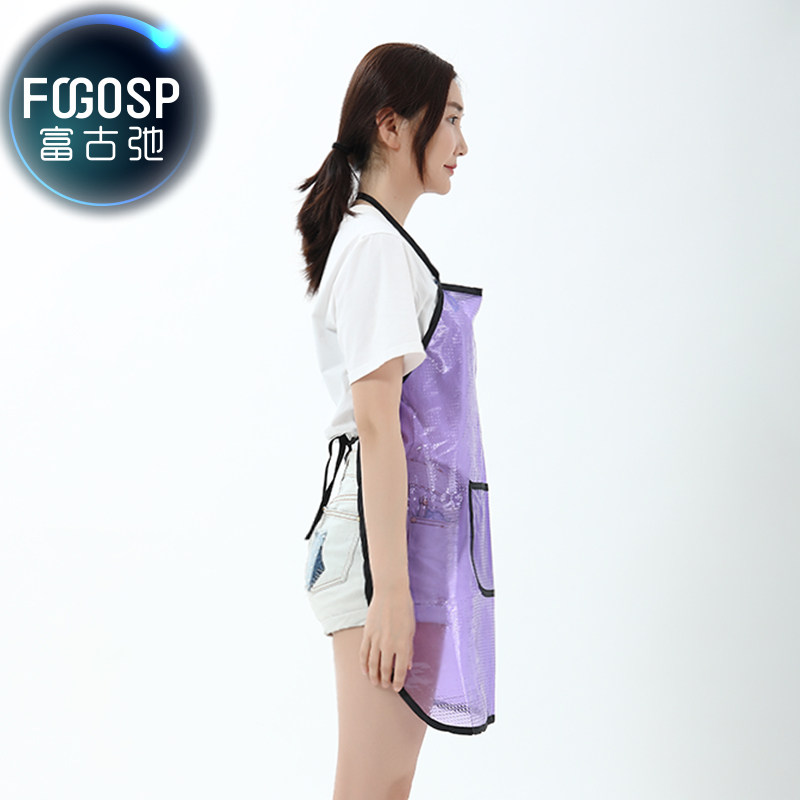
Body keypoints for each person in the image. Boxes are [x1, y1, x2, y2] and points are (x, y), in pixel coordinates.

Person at [296, 43, 495, 800]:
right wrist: (393, 593)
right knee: (372, 787)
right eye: (451, 119)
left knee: (384, 786)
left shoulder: (378, 241)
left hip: (395, 536)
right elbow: (378, 425)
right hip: (382, 547)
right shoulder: (376, 247)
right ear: (391, 125)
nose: (462, 144)